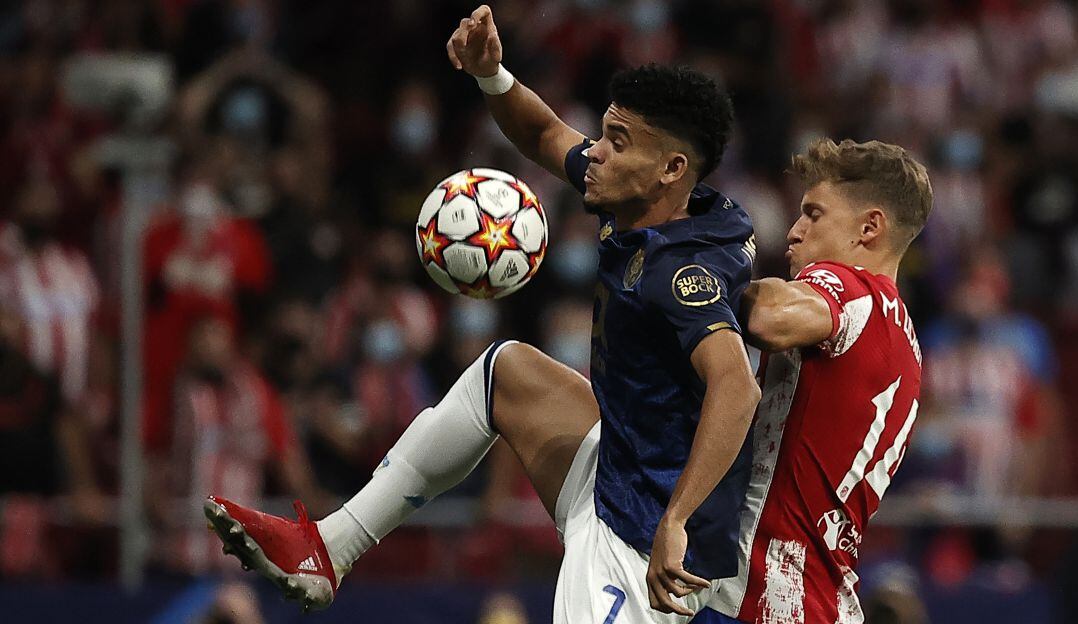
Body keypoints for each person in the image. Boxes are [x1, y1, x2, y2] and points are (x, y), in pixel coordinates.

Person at [203, 4, 761, 621]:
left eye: (615, 142)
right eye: (603, 133)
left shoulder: (680, 275)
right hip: (622, 469)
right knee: (507, 373)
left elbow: (736, 387)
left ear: (671, 169)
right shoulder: (662, 202)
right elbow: (546, 135)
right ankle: (332, 547)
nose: (594, 152)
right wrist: (492, 75)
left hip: (647, 543)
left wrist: (676, 520)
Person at [691, 138, 932, 623]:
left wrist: (693, 270)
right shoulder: (905, 339)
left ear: (869, 228)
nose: (795, 231)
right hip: (819, 598)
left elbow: (771, 317)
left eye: (814, 214)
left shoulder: (853, 289)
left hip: (763, 594)